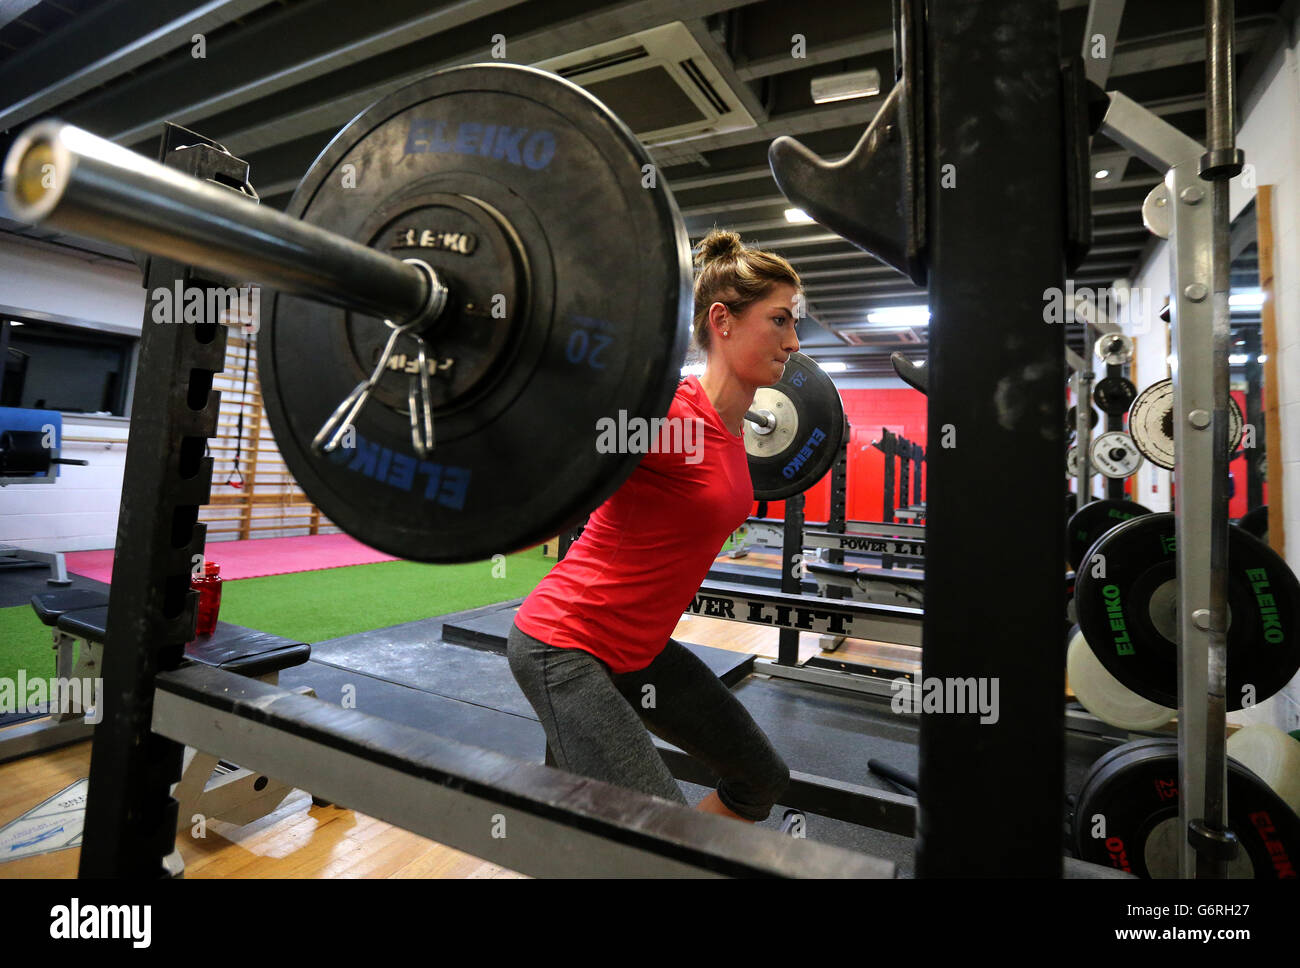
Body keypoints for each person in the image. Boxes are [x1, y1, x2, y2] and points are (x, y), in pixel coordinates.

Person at [507, 228, 802, 823]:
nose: (794, 342)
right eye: (779, 321)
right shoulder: (670, 415)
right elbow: (561, 450)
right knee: (657, 835)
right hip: (566, 644)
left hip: (638, 653)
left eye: (796, 325)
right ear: (722, 320)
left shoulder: (733, 429)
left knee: (760, 779)